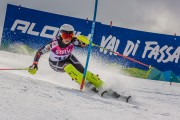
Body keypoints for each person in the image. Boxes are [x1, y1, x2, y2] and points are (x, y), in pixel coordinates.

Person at [28, 24, 104, 93]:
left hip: (68, 57)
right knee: (68, 66)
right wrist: (35, 64)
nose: (68, 39)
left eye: (70, 36)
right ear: (61, 35)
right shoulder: (53, 44)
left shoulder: (73, 41)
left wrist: (86, 43)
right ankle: (85, 84)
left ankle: (101, 85)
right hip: (55, 63)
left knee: (83, 71)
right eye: (65, 36)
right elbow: (39, 52)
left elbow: (83, 45)